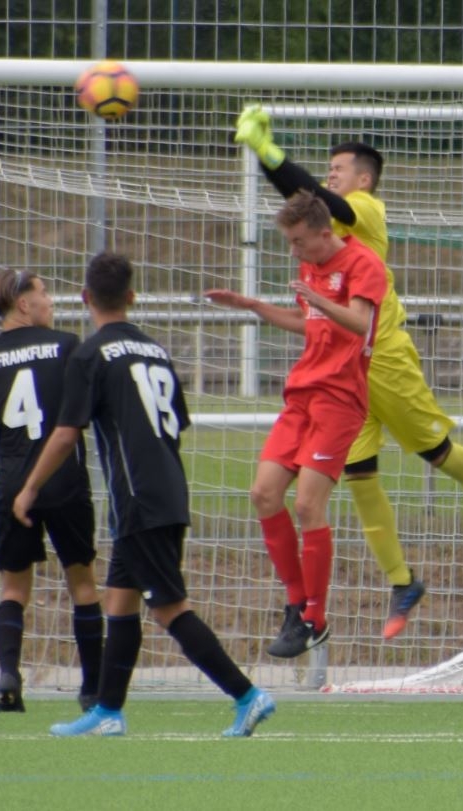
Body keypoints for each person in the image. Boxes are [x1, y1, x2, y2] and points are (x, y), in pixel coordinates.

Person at [236, 105, 463, 639]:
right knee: (360, 473)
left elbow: (317, 202)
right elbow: (306, 207)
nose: (329, 177)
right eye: (328, 170)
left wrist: (268, 151)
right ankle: (402, 581)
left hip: (383, 356)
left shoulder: (365, 209)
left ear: (363, 179)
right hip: (340, 372)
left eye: (338, 170)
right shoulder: (321, 236)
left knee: (435, 452)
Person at [15, 252, 273, 738]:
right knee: (120, 601)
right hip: (167, 488)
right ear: (132, 297)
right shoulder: (155, 351)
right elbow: (175, 425)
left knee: (169, 607)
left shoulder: (89, 355)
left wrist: (29, 488)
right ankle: (108, 711)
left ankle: (247, 695)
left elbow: (67, 433)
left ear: (85, 298)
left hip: (138, 499)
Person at [206, 192, 387, 659]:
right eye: (290, 242)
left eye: (299, 241)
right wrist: (253, 306)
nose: (294, 251)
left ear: (325, 233)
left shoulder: (363, 264)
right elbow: (310, 324)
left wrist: (319, 299)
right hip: (302, 394)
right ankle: (294, 602)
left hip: (340, 400)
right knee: (263, 493)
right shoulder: (310, 270)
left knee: (309, 505)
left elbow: (359, 326)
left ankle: (315, 617)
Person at [0, 268, 102, 713]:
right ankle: (93, 688)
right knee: (81, 581)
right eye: (44, 293)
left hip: (12, 483)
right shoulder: (66, 345)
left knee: (13, 588)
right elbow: (88, 408)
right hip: (65, 480)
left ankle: (9, 675)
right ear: (23, 304)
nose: (50, 301)